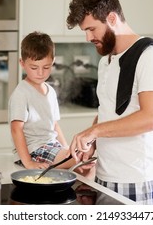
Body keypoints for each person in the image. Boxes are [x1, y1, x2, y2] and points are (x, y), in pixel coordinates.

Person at [66, 0, 153, 205]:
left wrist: (93, 131)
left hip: (137, 181)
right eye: (84, 31)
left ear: (112, 18)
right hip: (105, 177)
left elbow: (150, 118)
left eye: (91, 29)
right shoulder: (106, 60)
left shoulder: (149, 56)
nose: (88, 37)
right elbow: (108, 111)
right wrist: (92, 142)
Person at [8, 31, 95, 174]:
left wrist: (67, 148)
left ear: (53, 62)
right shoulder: (21, 94)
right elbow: (16, 129)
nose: (40, 73)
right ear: (22, 63)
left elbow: (54, 124)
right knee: (81, 158)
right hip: (33, 150)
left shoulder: (51, 91)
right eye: (34, 68)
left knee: (86, 158)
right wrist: (28, 162)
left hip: (51, 145)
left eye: (46, 67)